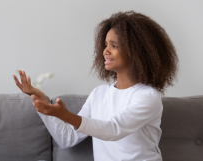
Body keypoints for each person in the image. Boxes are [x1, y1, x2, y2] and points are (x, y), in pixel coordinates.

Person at [13, 11, 177, 160]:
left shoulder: (148, 97)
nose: (105, 51)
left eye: (114, 45)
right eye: (106, 45)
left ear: (136, 52)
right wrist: (44, 102)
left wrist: (66, 115)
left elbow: (113, 129)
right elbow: (67, 138)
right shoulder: (99, 93)